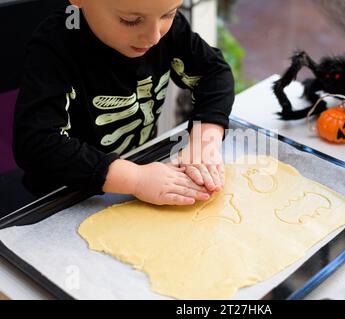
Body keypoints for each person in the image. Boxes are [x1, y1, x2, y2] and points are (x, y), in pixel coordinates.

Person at [13, 0, 235, 206]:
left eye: (169, 14)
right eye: (131, 20)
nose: (154, 37)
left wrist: (205, 140)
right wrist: (135, 179)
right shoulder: (56, 44)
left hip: (145, 168)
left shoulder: (162, 25)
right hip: (62, 196)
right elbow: (36, 144)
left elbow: (214, 72)